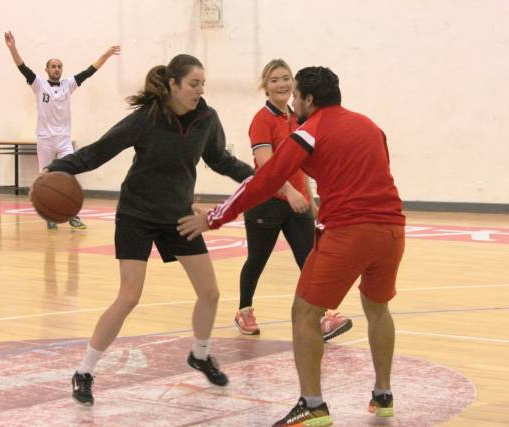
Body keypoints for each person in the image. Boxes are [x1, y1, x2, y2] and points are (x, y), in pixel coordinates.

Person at [178, 66, 405, 426]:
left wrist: (215, 217)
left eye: (297, 95)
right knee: (378, 308)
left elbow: (264, 180)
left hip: (350, 231)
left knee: (304, 313)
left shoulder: (309, 131)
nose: (293, 101)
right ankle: (383, 395)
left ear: (309, 99)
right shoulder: (370, 125)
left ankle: (312, 404)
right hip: (392, 229)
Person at [35, 54, 254, 406]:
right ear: (173, 84)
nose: (200, 90)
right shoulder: (146, 118)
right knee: (129, 296)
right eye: (193, 84)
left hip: (178, 215)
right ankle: (84, 371)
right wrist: (56, 169)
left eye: (202, 84)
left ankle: (199, 355)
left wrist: (260, 179)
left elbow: (220, 160)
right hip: (136, 214)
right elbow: (98, 152)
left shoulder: (207, 119)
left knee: (210, 292)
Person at [235, 59, 353, 343]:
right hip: (266, 202)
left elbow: (302, 164)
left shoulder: (299, 117)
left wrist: (311, 201)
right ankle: (244, 311)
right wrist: (288, 192)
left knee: (310, 259)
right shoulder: (261, 120)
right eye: (274, 79)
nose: (282, 84)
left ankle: (323, 316)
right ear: (265, 86)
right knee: (257, 259)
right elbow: (267, 165)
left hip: (298, 202)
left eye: (286, 78)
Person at [4, 30, 120, 230]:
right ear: (47, 69)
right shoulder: (38, 84)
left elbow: (90, 71)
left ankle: (73, 215)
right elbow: (22, 67)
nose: (57, 69)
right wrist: (13, 48)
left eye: (59, 66)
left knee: (69, 175)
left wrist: (107, 55)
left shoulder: (69, 84)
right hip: (45, 139)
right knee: (45, 177)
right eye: (53, 66)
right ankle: (49, 215)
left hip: (64, 139)